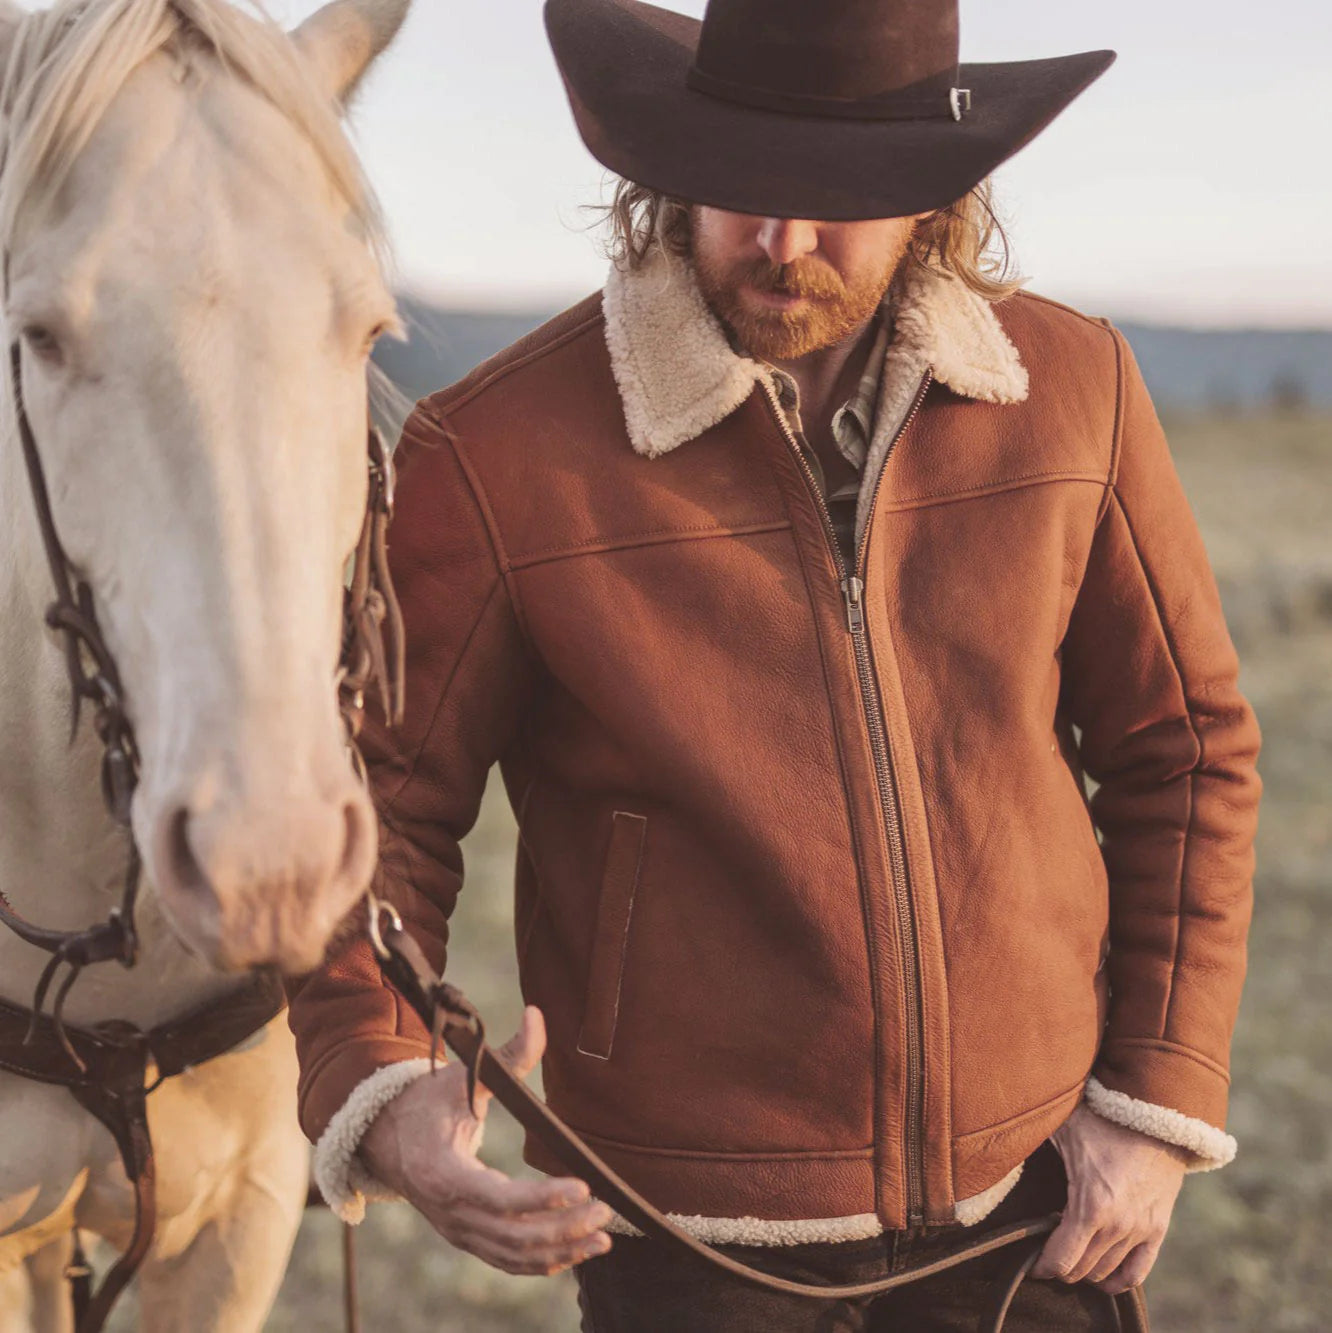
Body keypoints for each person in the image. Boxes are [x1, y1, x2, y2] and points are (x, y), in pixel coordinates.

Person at [287, 1, 1263, 1327]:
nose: (782, 240)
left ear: (929, 194)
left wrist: (1156, 1103)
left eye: (836, 197)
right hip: (688, 1248)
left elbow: (1188, 750)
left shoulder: (1076, 388)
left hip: (1035, 1219)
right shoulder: (494, 454)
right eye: (741, 186)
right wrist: (392, 1088)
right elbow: (376, 808)